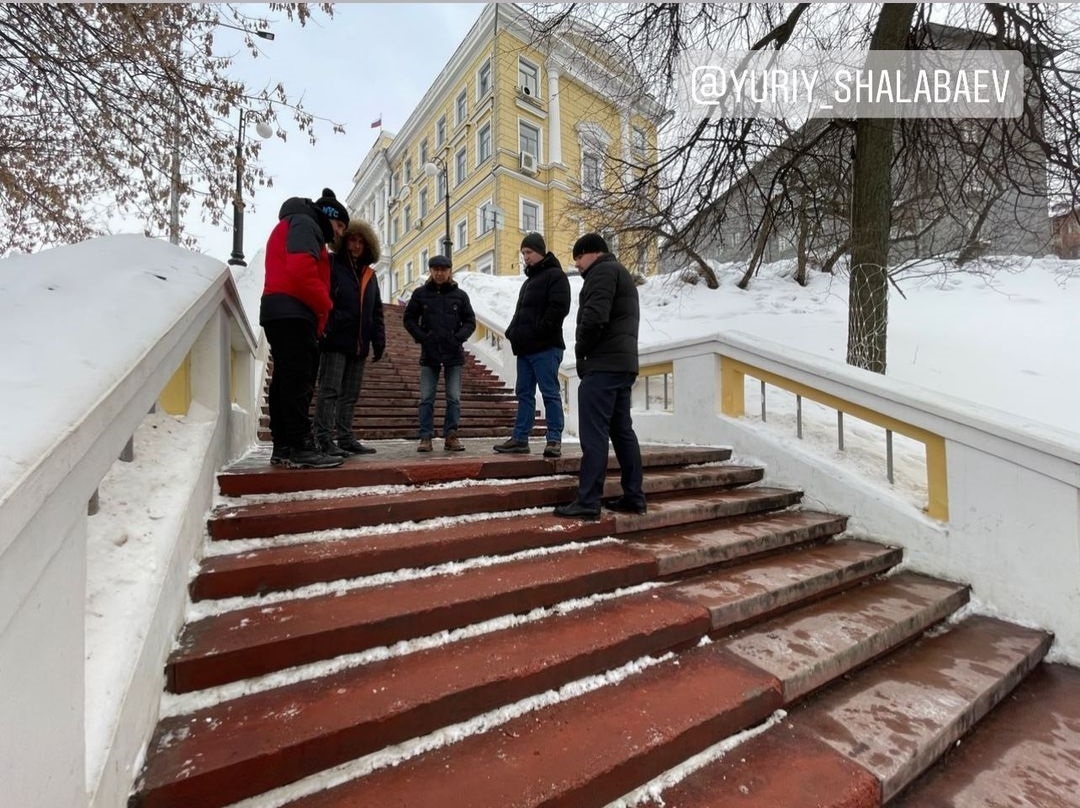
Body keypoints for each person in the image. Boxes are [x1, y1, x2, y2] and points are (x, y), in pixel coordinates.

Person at [553, 233, 646, 519]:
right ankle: (634, 496)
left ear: (592, 253)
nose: (577, 265)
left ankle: (589, 500)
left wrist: (582, 351)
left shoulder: (602, 272)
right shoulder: (622, 274)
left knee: (594, 435)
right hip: (622, 365)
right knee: (622, 432)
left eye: (578, 258)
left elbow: (594, 318)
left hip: (602, 365)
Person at [261, 188, 351, 469]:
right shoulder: (305, 224)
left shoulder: (299, 224)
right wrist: (325, 304)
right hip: (293, 310)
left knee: (286, 381)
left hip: (282, 310)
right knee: (298, 381)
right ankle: (301, 445)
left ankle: (284, 445)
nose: (338, 234)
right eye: (339, 226)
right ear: (329, 216)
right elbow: (301, 270)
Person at [493, 232, 571, 458]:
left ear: (540, 251)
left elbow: (558, 309)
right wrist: (512, 332)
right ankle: (520, 439)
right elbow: (520, 313)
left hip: (546, 346)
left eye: (528, 252)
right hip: (526, 348)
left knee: (550, 392)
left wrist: (538, 331)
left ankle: (554, 439)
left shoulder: (556, 276)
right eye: (523, 253)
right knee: (524, 393)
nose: (525, 257)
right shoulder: (528, 282)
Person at [312, 218, 386, 457]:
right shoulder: (332, 264)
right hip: (335, 340)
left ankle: (345, 438)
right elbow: (320, 294)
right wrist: (328, 326)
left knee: (350, 395)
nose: (355, 246)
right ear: (343, 242)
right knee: (329, 390)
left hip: (359, 343)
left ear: (367, 247)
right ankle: (322, 438)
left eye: (360, 242)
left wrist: (379, 340)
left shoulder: (370, 275)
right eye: (352, 240)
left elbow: (376, 311)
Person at [403, 254, 476, 452]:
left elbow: (470, 321)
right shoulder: (420, 294)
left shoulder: (460, 296)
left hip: (453, 353)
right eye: (435, 269)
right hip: (429, 353)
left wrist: (457, 338)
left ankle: (451, 436)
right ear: (431, 271)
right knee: (426, 397)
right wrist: (423, 337)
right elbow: (409, 319)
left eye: (443, 269)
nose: (439, 273)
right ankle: (425, 437)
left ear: (450, 271)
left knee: (454, 397)